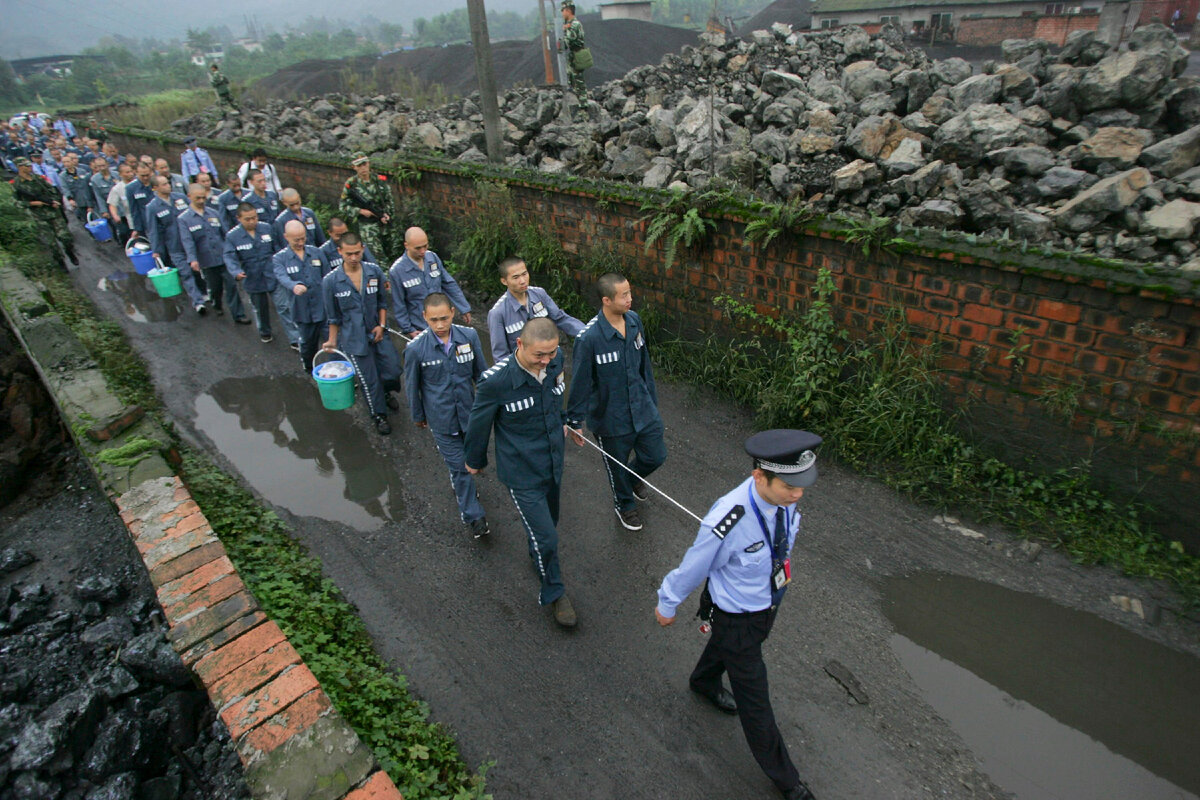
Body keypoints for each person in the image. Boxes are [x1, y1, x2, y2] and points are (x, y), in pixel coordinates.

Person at [655, 430, 823, 800]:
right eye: (789, 486)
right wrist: (668, 602)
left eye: (801, 485)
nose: (798, 494)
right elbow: (695, 564)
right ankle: (786, 779)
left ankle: (703, 681)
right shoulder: (730, 519)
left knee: (728, 647)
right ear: (759, 476)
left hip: (766, 604)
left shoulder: (786, 501)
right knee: (755, 702)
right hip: (736, 615)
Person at [463, 317, 584, 628]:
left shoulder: (555, 365)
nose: (545, 361)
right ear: (519, 345)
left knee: (548, 524)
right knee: (547, 538)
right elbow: (479, 424)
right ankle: (555, 593)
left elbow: (556, 403)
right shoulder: (496, 382)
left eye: (551, 353)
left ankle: (538, 552)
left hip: (553, 463)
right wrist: (474, 460)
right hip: (521, 471)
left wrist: (570, 422)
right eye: (538, 356)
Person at [566, 273, 665, 531]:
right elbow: (580, 382)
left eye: (630, 293)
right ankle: (625, 506)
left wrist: (651, 400)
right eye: (624, 296)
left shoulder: (634, 321)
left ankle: (632, 478)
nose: (630, 299)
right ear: (606, 300)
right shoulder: (589, 339)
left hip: (642, 409)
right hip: (611, 418)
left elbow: (645, 365)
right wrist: (574, 420)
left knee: (656, 455)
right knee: (616, 466)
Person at [405, 293, 490, 539]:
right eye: (434, 320)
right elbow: (412, 387)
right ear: (424, 318)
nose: (440, 325)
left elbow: (481, 375)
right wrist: (417, 415)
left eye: (444, 318)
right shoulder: (415, 349)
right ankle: (474, 516)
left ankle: (467, 474)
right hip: (442, 421)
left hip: (470, 415)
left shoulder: (470, 337)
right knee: (461, 470)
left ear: (452, 312)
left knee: (473, 458)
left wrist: (489, 407)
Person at [321, 233, 402, 435]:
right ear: (340, 252)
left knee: (392, 368)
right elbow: (333, 316)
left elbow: (383, 303)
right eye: (349, 254)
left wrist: (381, 325)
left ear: (363, 249)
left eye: (357, 252)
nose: (354, 258)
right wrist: (332, 341)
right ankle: (378, 415)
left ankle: (385, 392)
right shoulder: (331, 281)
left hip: (378, 332)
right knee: (368, 379)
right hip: (353, 339)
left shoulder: (374, 272)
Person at [224, 202, 297, 345]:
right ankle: (265, 331)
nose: (252, 222)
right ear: (238, 218)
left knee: (284, 307)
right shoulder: (232, 236)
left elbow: (278, 249)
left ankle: (295, 339)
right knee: (260, 309)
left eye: (254, 218)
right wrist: (236, 271)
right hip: (253, 278)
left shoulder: (267, 228)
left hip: (273, 275)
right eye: (247, 219)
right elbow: (229, 256)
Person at [487, 256, 584, 362]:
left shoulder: (540, 294)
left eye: (524, 274)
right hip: (523, 370)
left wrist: (588, 334)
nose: (523, 281)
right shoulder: (497, 313)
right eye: (516, 277)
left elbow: (561, 319)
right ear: (504, 281)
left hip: (549, 363)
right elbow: (500, 356)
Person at [179, 183, 246, 323]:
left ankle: (238, 315)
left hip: (223, 257)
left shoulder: (213, 213)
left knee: (232, 285)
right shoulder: (184, 219)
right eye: (198, 198)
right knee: (215, 287)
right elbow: (187, 241)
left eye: (204, 198)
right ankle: (217, 303)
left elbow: (225, 234)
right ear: (189, 197)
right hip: (207, 260)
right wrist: (193, 259)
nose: (202, 201)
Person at [388, 226, 470, 336]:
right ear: (406, 245)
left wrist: (464, 308)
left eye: (425, 246)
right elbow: (399, 304)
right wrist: (409, 329)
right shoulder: (397, 271)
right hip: (420, 328)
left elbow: (449, 284)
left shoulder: (432, 258)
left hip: (443, 323)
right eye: (418, 248)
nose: (423, 251)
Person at [274, 219, 330, 372]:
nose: (300, 242)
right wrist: (294, 286)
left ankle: (340, 370)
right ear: (286, 237)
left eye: (303, 238)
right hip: (302, 310)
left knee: (333, 341)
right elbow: (282, 276)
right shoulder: (280, 258)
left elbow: (327, 275)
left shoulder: (316, 253)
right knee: (308, 343)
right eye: (296, 239)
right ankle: (309, 366)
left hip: (323, 307)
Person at [146, 175, 207, 314]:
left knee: (198, 270)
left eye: (167, 183)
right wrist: (156, 250)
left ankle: (204, 291)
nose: (168, 186)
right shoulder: (152, 207)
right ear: (155, 188)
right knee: (186, 273)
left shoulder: (180, 198)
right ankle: (198, 301)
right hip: (174, 246)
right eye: (163, 184)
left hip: (191, 242)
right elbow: (153, 230)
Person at [12, 157, 78, 265]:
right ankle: (61, 262)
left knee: (65, 237)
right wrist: (30, 203)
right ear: (20, 167)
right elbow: (15, 202)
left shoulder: (39, 179)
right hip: (39, 217)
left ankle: (70, 252)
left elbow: (53, 190)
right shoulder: (16, 184)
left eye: (30, 165)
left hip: (53, 212)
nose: (30, 167)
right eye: (27, 166)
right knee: (51, 243)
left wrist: (55, 201)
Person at [339, 152, 394, 263]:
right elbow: (343, 206)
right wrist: (360, 211)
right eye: (359, 166)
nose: (363, 168)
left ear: (368, 163)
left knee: (390, 252)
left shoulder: (379, 180)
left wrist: (387, 214)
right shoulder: (351, 184)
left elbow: (389, 200)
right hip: (367, 226)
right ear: (354, 167)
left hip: (383, 223)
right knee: (378, 257)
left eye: (364, 164)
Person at [561, 1, 589, 106]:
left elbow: (570, 40)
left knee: (578, 82)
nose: (562, 14)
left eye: (563, 11)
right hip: (573, 55)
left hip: (577, 54)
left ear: (568, 11)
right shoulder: (570, 24)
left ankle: (583, 107)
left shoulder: (574, 25)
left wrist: (566, 30)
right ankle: (576, 104)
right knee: (572, 80)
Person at [58, 152, 93, 225]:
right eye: (64, 162)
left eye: (68, 161)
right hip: (78, 199)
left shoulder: (82, 171)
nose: (66, 164)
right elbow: (65, 188)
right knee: (86, 220)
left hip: (88, 197)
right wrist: (70, 199)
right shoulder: (63, 176)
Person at [107, 162, 135, 244]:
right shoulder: (117, 188)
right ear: (121, 174)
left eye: (131, 171)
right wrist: (115, 215)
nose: (130, 174)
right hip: (130, 217)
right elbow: (112, 204)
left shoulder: (139, 183)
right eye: (127, 172)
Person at [125, 163, 156, 238]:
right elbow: (134, 210)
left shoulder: (157, 183)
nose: (145, 178)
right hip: (147, 223)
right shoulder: (131, 188)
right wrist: (137, 228)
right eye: (142, 176)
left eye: (147, 175)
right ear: (136, 173)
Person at [88, 156, 116, 237]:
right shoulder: (94, 179)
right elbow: (98, 196)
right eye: (99, 166)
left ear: (107, 164)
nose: (102, 168)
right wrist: (104, 211)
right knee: (115, 226)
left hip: (121, 205)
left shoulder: (116, 175)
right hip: (108, 205)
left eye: (103, 165)